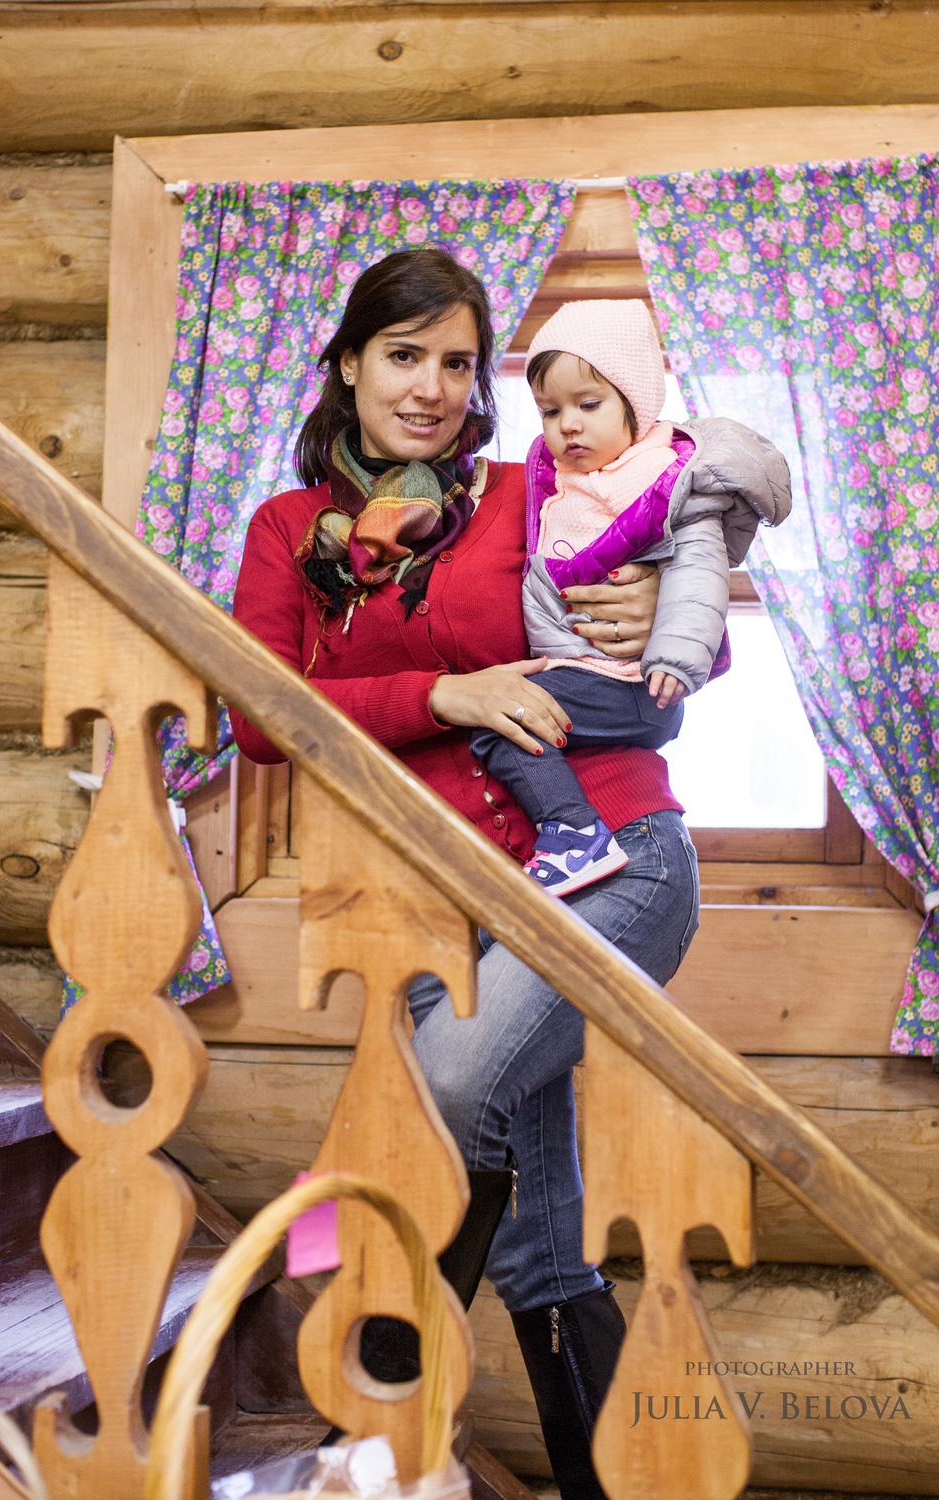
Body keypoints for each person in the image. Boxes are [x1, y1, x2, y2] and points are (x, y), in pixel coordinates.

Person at [230, 247, 699, 1500]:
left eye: (455, 361)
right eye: (402, 356)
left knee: (435, 1100)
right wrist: (441, 690)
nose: (431, 386)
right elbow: (269, 718)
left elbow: (652, 641)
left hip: (612, 861)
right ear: (346, 364)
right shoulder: (287, 533)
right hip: (451, 915)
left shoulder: (530, 494)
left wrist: (650, 607)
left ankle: (372, 1439)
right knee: (544, 1250)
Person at [470, 299, 792, 896]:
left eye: (588, 405)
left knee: (500, 721)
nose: (568, 424)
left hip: (630, 683)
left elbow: (700, 573)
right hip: (592, 673)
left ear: (634, 405)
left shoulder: (665, 482)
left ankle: (573, 834)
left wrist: (677, 654)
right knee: (509, 716)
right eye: (549, 410)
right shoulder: (555, 483)